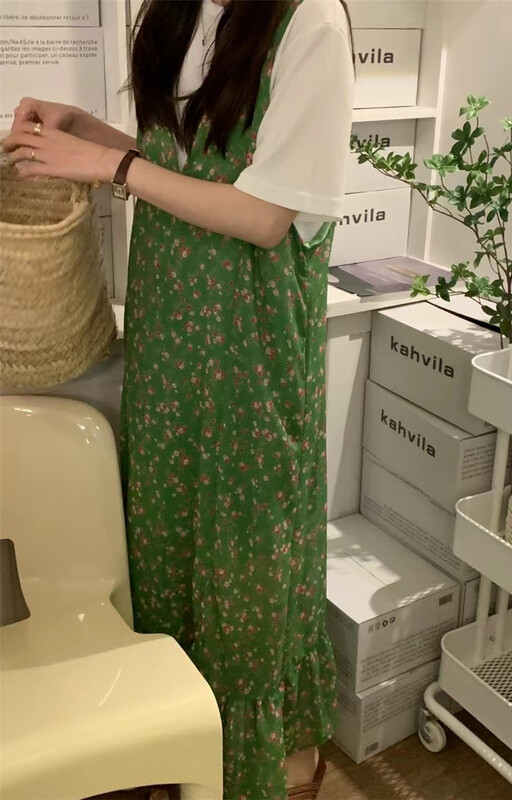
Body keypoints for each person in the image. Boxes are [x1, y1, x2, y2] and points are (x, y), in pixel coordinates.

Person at [4, 1, 354, 798]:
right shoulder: (182, 9)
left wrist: (108, 165)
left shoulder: (311, 26)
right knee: (168, 530)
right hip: (172, 334)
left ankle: (269, 756)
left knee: (246, 548)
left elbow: (266, 215)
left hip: (249, 345)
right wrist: (86, 131)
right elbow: (187, 163)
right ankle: (181, 734)